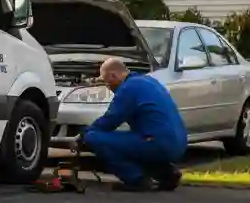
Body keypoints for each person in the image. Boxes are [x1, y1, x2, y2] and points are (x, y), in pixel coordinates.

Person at [80, 57, 188, 192]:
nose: (109, 87)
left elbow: (111, 120)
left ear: (113, 75)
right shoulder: (149, 81)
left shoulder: (128, 88)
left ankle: (137, 180)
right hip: (179, 143)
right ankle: (166, 173)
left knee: (94, 138)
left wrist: (84, 134)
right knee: (134, 140)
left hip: (158, 143)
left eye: (107, 83)